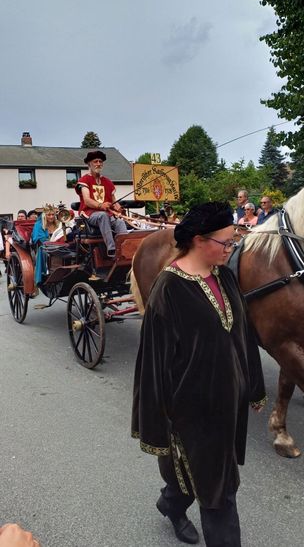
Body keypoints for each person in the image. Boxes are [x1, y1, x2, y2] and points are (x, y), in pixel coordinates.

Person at [132, 201, 266, 547]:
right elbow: (153, 364)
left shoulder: (225, 276)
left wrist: (253, 385)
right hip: (191, 415)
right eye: (225, 242)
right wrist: (157, 426)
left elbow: (242, 334)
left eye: (233, 240)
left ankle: (171, 504)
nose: (230, 248)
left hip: (227, 407)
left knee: (196, 476)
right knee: (219, 491)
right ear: (198, 239)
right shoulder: (169, 289)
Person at [76, 150, 127, 258]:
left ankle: (125, 249)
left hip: (107, 214)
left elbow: (114, 201)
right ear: (89, 164)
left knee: (120, 223)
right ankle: (112, 249)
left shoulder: (108, 182)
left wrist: (119, 209)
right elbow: (87, 200)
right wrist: (100, 206)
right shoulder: (84, 180)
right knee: (102, 216)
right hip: (89, 213)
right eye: (95, 161)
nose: (98, 163)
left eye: (100, 161)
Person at [32, 205, 59, 284]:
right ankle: (45, 273)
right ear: (44, 216)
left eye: (52, 214)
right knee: (44, 252)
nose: (51, 217)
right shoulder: (38, 225)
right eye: (48, 215)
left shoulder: (58, 224)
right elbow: (38, 239)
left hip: (58, 246)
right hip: (44, 248)